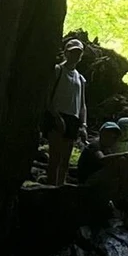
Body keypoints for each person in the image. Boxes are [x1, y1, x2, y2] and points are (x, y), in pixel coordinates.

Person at [42, 44, 87, 184]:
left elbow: (82, 104)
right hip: (58, 114)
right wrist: (55, 116)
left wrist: (83, 124)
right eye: (73, 52)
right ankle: (51, 187)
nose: (76, 56)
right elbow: (47, 96)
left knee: (65, 161)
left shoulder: (80, 78)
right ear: (66, 53)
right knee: (54, 158)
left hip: (73, 118)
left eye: (78, 53)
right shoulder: (58, 70)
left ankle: (60, 187)